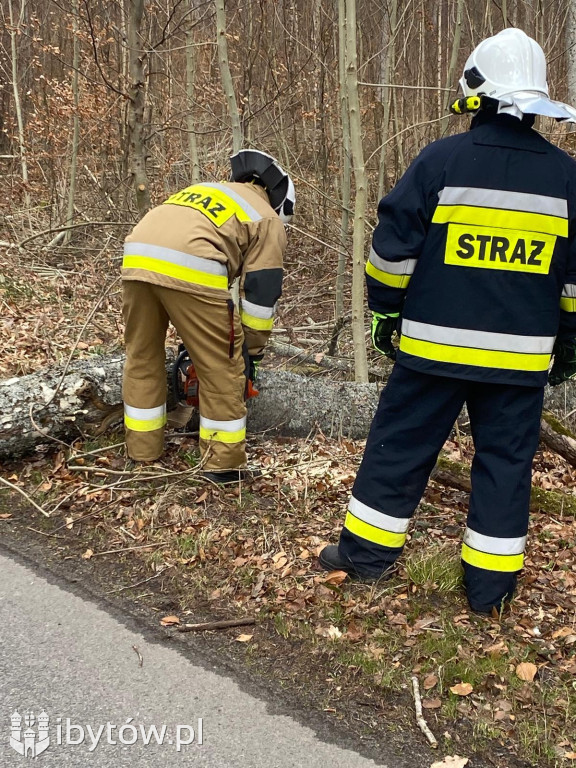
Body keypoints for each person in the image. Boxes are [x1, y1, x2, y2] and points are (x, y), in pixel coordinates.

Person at [319, 28, 576, 614]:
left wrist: (384, 312)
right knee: (505, 466)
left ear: (477, 93)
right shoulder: (568, 179)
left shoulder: (441, 159)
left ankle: (365, 558)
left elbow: (391, 253)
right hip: (519, 359)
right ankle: (490, 593)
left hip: (433, 349)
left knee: (400, 447)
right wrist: (569, 343)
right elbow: (575, 282)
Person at [121, 149, 295, 483]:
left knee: (142, 358)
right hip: (193, 263)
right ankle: (224, 464)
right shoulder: (268, 218)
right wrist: (251, 352)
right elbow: (261, 293)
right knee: (222, 367)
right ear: (280, 200)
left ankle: (142, 451)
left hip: (137, 257)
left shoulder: (210, 191)